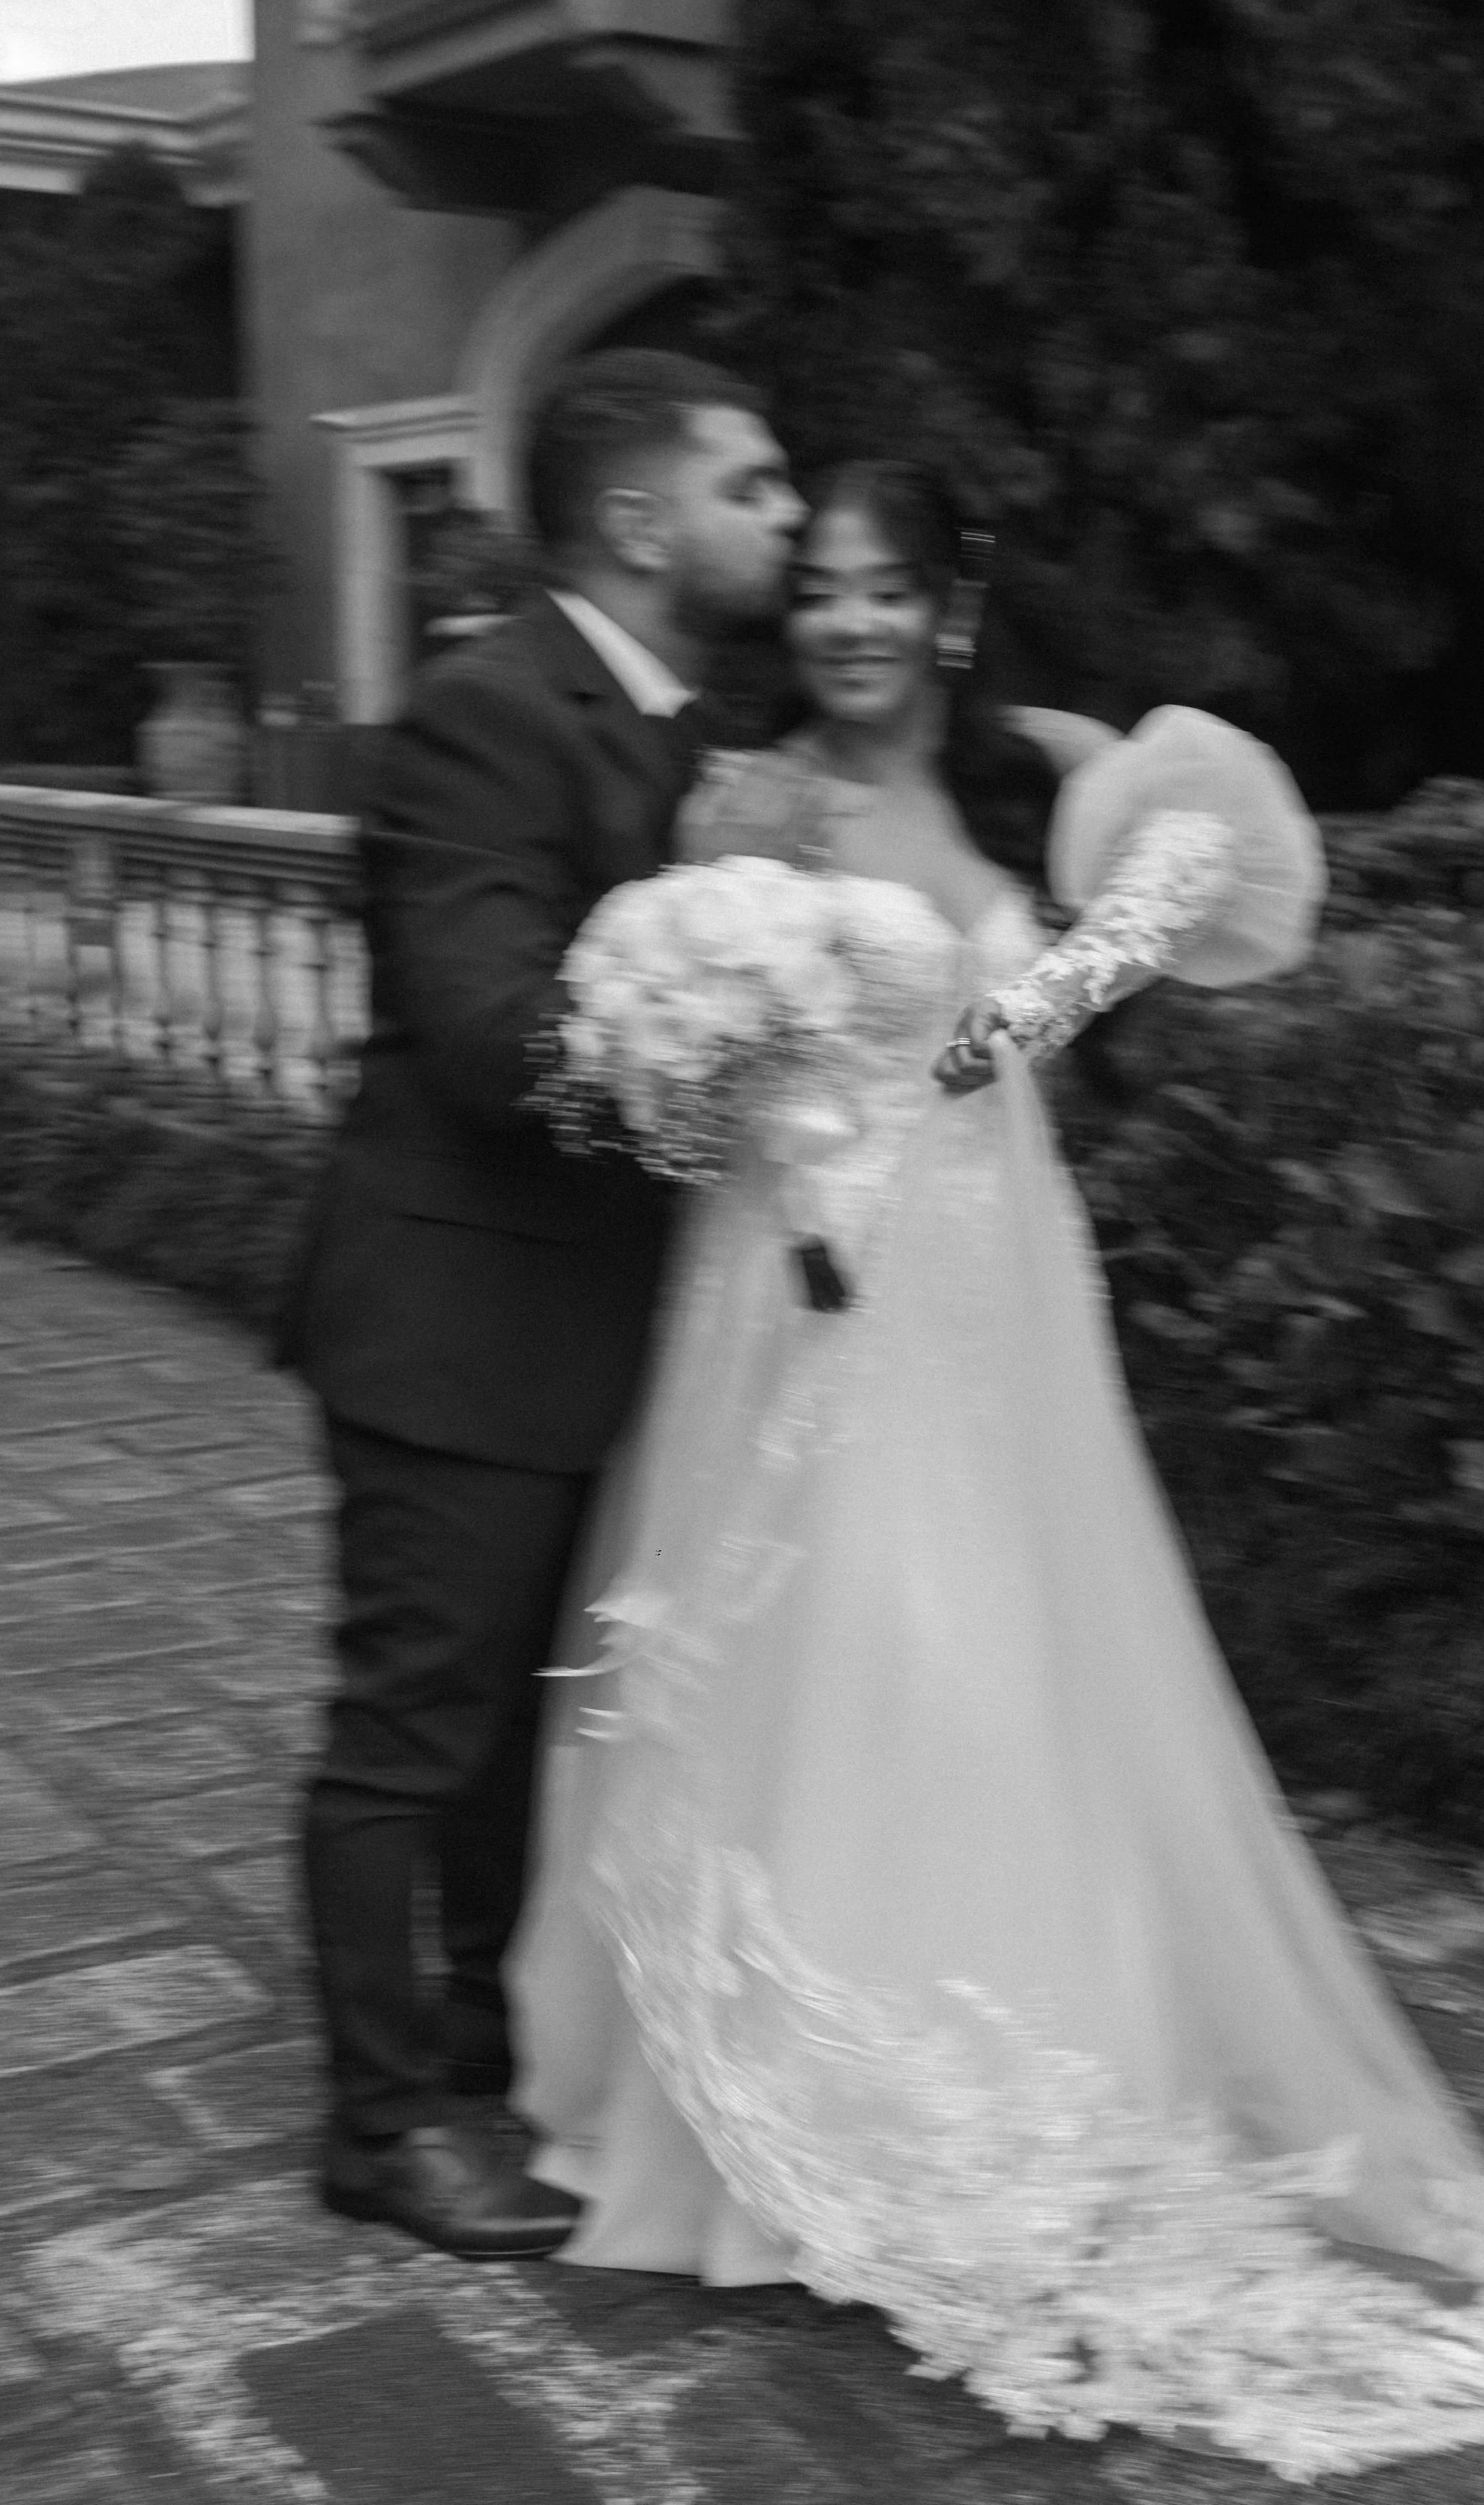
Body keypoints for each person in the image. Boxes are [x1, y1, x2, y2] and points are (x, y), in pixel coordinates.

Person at [507, 461, 1484, 2480]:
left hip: (989, 1290)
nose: (842, 621)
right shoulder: (745, 799)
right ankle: (784, 2103)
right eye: (815, 587)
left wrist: (1063, 974)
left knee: (999, 1664)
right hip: (793, 1292)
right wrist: (748, 1091)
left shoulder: (1051, 774)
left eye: (882, 587)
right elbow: (710, 1076)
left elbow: (1173, 904)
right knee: (831, 1655)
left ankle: (1018, 2068)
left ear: (950, 603)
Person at [282, 350, 806, 2259]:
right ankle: (380, 2123)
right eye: (755, 485)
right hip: (453, 1321)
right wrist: (734, 1018)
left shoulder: (704, 738)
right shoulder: (485, 710)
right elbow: (495, 1034)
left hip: (598, 1341)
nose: (792, 518)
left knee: (519, 1732)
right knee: (412, 1733)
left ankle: (495, 2061)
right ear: (641, 519)